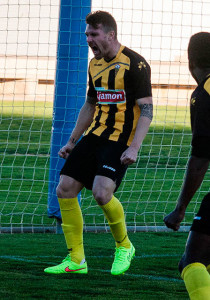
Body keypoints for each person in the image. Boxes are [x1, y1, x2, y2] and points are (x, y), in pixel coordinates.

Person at [44, 10, 153, 276]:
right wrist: (72, 141)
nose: (88, 40)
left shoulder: (135, 63)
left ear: (109, 34)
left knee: (102, 193)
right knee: (65, 188)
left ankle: (124, 246)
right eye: (86, 35)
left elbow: (147, 110)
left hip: (120, 140)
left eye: (93, 34)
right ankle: (76, 260)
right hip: (94, 135)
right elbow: (91, 104)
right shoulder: (94, 65)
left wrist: (134, 147)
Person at [164, 32, 210, 299]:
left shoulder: (203, 93)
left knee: (191, 262)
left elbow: (200, 159)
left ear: (190, 61)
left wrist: (180, 209)